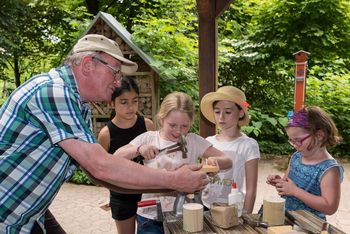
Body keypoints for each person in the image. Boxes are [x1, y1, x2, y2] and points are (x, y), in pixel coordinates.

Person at [0, 34, 208, 233]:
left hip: (31, 212)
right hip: (7, 213)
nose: (118, 82)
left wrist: (168, 185)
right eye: (115, 72)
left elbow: (94, 172)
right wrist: (173, 180)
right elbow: (100, 166)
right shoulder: (53, 91)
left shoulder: (79, 106)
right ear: (88, 64)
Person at [115, 91, 232, 234]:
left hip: (185, 215)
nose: (178, 131)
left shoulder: (193, 141)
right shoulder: (148, 138)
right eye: (172, 125)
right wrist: (139, 149)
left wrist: (216, 161)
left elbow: (228, 160)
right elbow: (116, 157)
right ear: (161, 119)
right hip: (150, 217)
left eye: (184, 126)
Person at [97, 77, 155, 234]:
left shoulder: (147, 125)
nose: (131, 107)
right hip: (121, 196)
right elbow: (103, 168)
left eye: (134, 101)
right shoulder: (106, 134)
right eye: (124, 102)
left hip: (147, 191)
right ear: (112, 103)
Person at [266, 106, 344, 220]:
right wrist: (280, 182)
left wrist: (295, 191)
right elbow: (288, 184)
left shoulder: (329, 170)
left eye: (298, 140)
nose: (294, 145)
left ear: (319, 135)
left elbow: (330, 206)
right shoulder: (296, 157)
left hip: (309, 225)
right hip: (286, 218)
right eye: (291, 140)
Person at [200, 86, 260, 214]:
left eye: (227, 112)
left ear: (241, 113)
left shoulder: (248, 145)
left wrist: (246, 217)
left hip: (233, 208)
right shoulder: (208, 142)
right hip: (206, 205)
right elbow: (202, 176)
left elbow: (251, 191)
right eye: (217, 112)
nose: (221, 117)